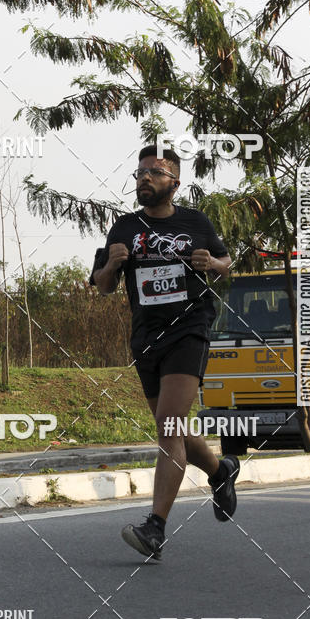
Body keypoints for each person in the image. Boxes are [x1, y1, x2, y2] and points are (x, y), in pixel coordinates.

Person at [89, 144, 240, 561]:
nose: (145, 179)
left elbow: (229, 263)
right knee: (169, 425)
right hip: (146, 339)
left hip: (189, 331)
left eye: (155, 172)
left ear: (174, 181)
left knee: (168, 426)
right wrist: (112, 267)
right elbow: (101, 285)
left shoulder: (196, 222)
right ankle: (220, 470)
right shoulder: (123, 228)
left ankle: (155, 528)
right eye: (139, 173)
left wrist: (212, 262)